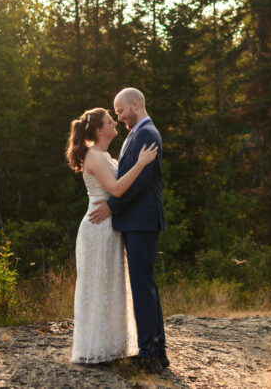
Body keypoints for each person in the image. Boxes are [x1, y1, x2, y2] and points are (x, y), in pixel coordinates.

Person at [67, 106, 158, 364]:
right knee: (98, 283)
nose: (114, 123)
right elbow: (117, 189)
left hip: (108, 225)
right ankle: (95, 347)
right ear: (99, 130)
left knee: (110, 283)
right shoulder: (95, 156)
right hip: (97, 227)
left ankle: (111, 345)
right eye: (109, 121)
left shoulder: (103, 154)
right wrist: (141, 164)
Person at [87, 87, 168, 373]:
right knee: (144, 286)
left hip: (142, 221)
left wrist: (112, 207)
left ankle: (151, 352)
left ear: (136, 104)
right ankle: (155, 350)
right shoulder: (136, 134)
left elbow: (141, 182)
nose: (119, 116)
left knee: (143, 286)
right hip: (136, 221)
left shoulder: (147, 134)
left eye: (121, 110)